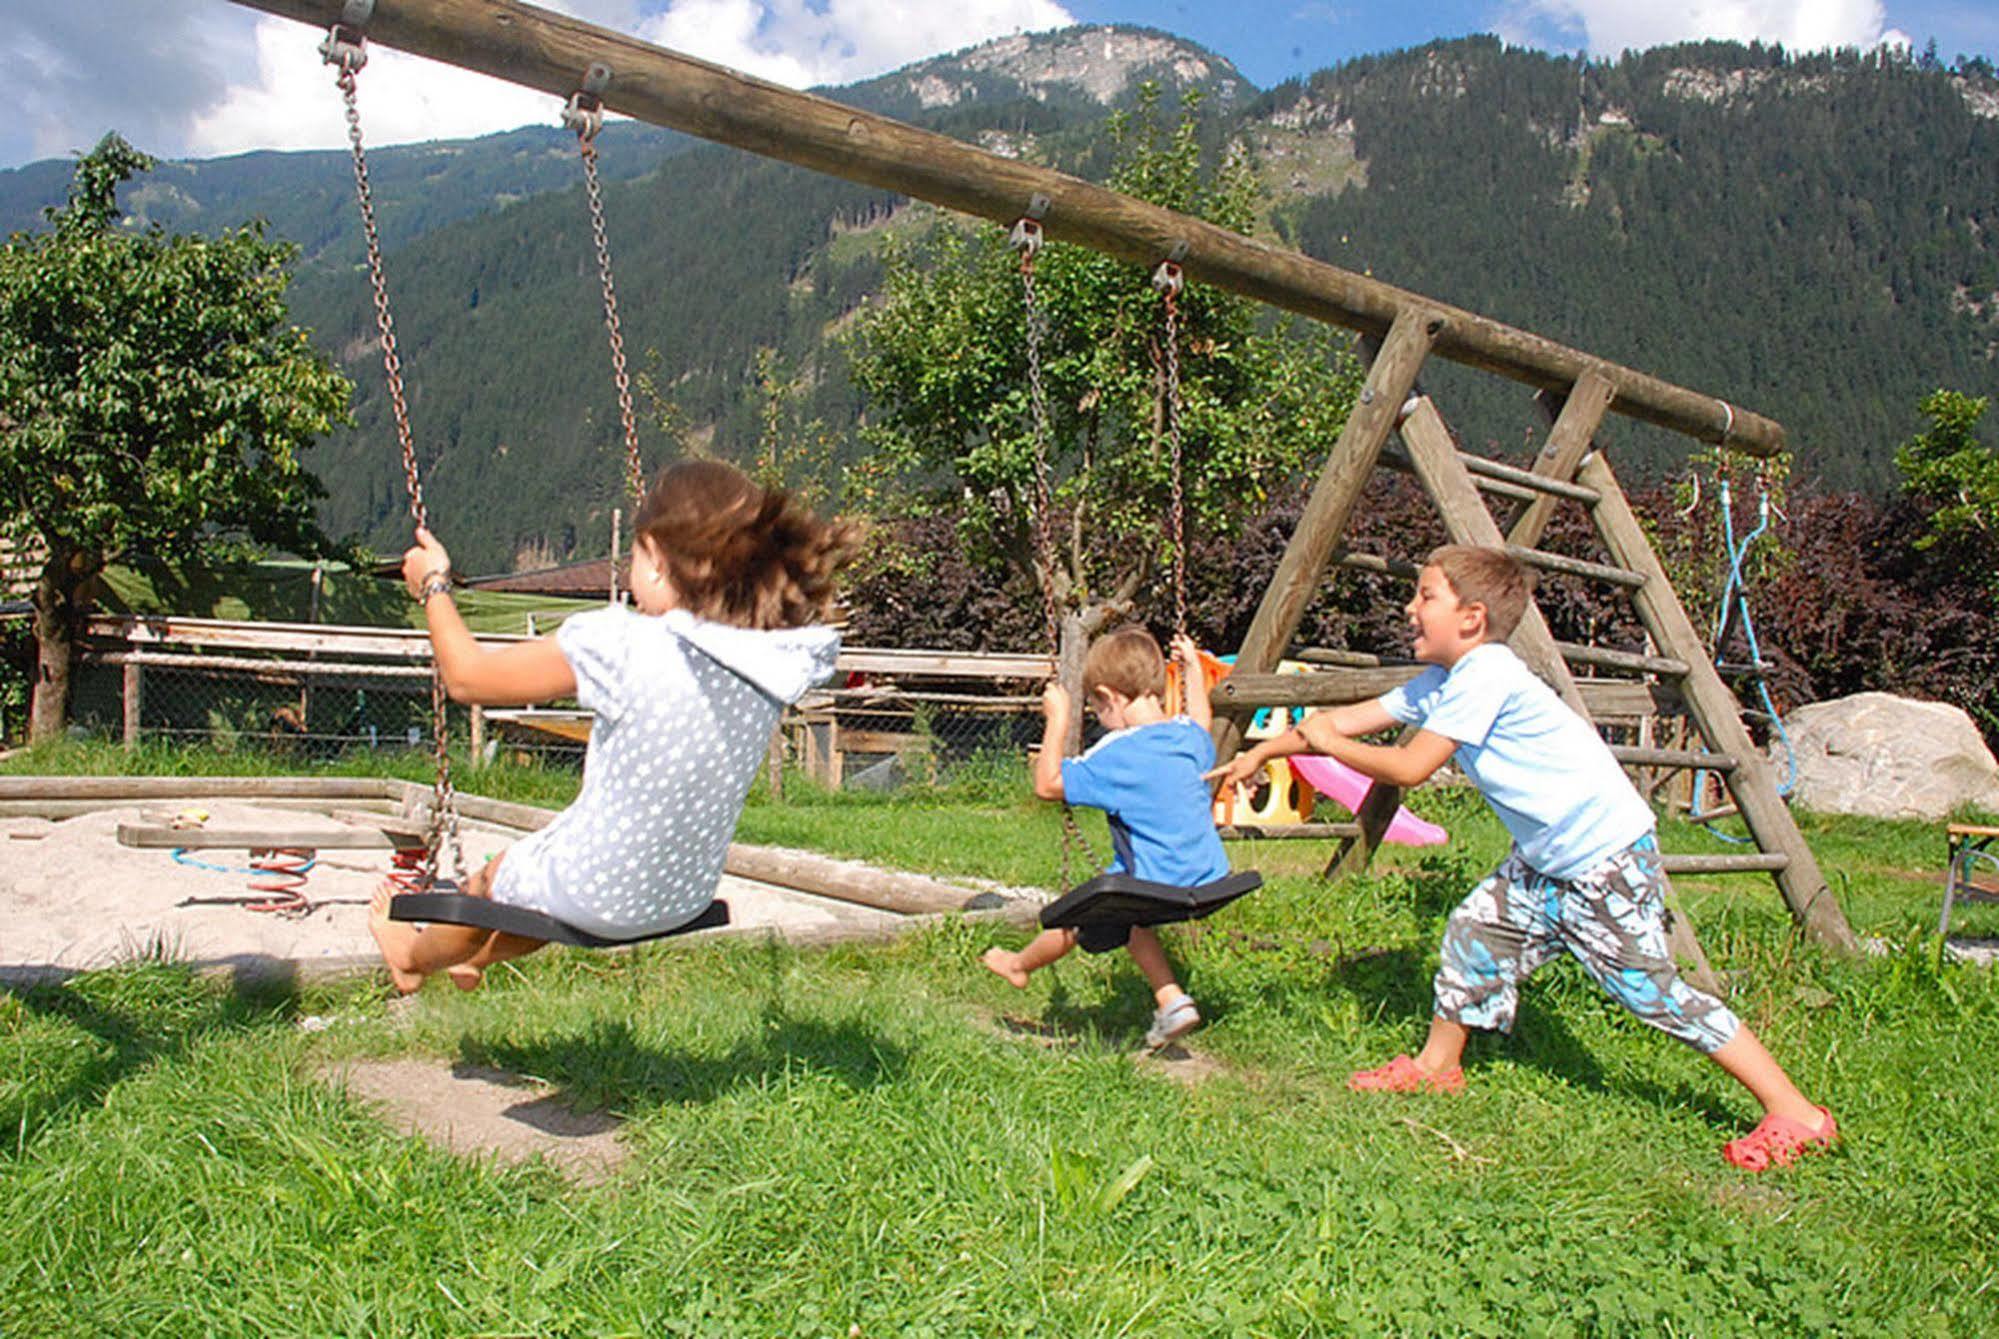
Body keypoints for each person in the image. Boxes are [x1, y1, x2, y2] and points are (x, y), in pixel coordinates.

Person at [1209, 545, 1837, 1171]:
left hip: (1603, 858)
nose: (1410, 609)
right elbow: (1347, 719)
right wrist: (1266, 752)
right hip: (1548, 859)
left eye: (1426, 596)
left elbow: (1409, 767)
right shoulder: (1445, 682)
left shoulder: (1487, 676)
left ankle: (1796, 1113)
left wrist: (1323, 742)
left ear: (1472, 618)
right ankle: (1437, 1067)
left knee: (1652, 991)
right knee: (1474, 931)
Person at [368, 460, 857, 994]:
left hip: (595, 890)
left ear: (655, 560)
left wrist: (433, 585)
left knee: (489, 885)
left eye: (634, 556)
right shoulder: (771, 659)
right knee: (542, 891)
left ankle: (410, 959)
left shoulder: (620, 644)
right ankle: (474, 959)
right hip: (682, 896)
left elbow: (467, 679)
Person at [982, 626, 1229, 1049]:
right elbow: (1203, 721)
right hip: (1210, 879)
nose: (1098, 717)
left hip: (1156, 886)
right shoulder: (1188, 738)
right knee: (1128, 919)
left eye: (1095, 707)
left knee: (1083, 913)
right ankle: (1172, 1000)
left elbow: (1048, 784)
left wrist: (1058, 719)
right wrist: (1190, 666)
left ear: (1109, 696)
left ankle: (1019, 965)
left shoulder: (1117, 752)